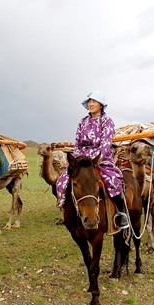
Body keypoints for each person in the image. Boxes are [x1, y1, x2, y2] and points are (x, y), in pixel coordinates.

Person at [56, 91, 129, 229]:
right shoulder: (83, 122)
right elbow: (77, 143)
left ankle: (121, 214)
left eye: (94, 101)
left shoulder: (107, 121)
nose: (90, 104)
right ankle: (67, 211)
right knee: (62, 180)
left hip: (99, 158)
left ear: (101, 105)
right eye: (89, 102)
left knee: (112, 180)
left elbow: (106, 143)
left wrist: (95, 159)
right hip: (81, 159)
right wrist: (78, 159)